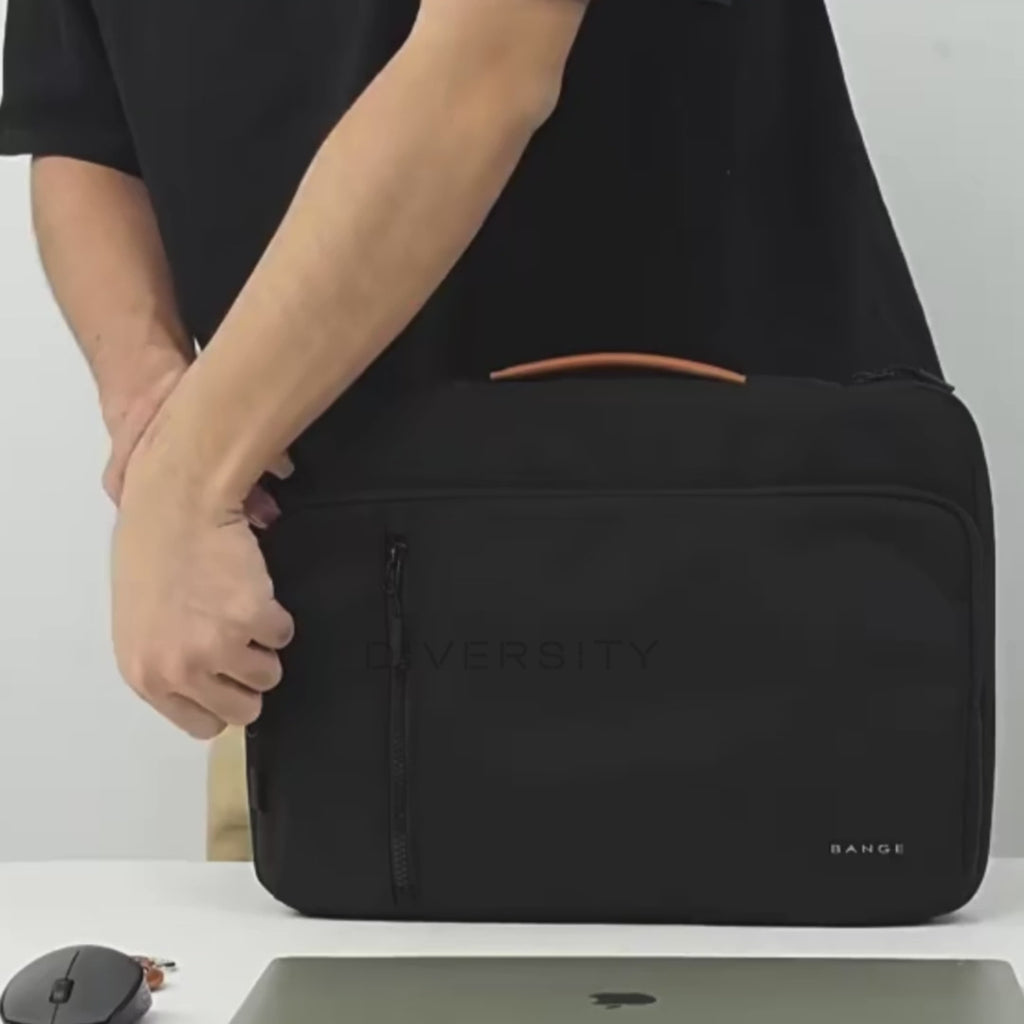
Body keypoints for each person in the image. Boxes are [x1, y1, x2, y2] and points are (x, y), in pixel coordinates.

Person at [0, 0, 942, 863]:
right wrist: (152, 411)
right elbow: (82, 128)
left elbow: (488, 67)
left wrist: (188, 473)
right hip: (322, 612)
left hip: (733, 564)